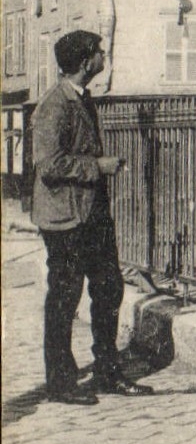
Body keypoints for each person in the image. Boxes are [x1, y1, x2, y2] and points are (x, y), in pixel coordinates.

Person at [30, 30, 153, 404]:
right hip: (65, 218)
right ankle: (61, 384)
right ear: (86, 63)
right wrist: (98, 166)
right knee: (65, 299)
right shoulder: (55, 104)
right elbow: (49, 166)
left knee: (109, 289)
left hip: (91, 216)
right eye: (100, 52)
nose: (104, 55)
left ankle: (107, 373)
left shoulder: (83, 99)